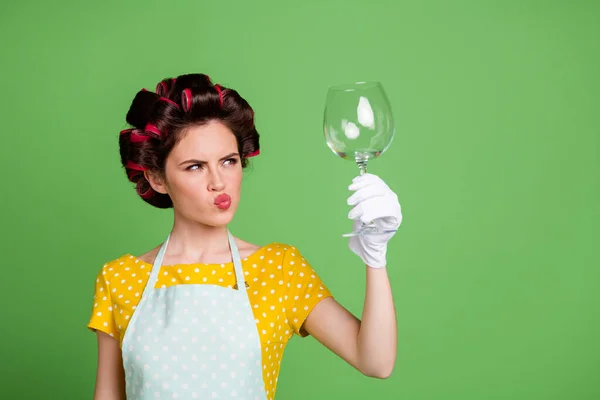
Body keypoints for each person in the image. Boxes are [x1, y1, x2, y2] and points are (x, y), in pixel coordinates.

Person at [87, 73, 402, 400]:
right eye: (195, 166)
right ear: (157, 178)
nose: (218, 182)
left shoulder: (279, 268)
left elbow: (375, 362)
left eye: (228, 161)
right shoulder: (119, 279)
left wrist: (375, 257)